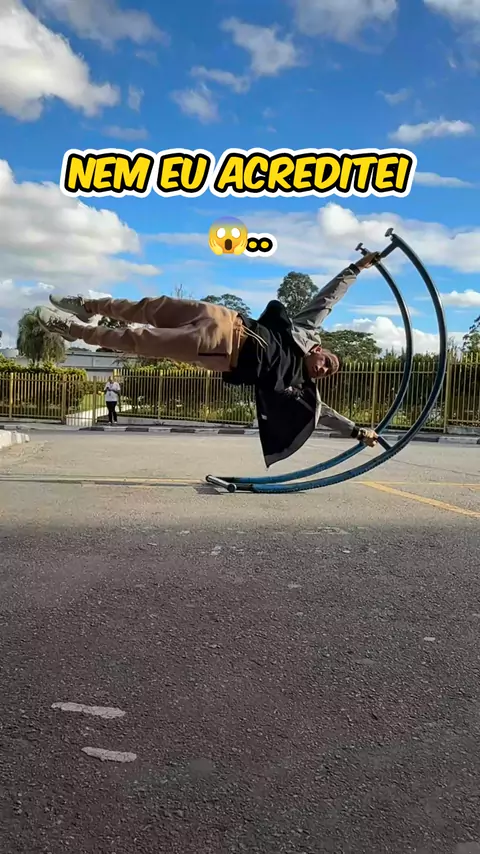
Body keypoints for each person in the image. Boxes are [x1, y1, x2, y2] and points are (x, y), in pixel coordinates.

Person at [37, 251, 380, 467]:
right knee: (151, 307)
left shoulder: (299, 386)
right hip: (224, 316)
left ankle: (73, 330)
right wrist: (356, 267)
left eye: (327, 374)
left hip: (217, 347)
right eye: (327, 363)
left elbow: (322, 414)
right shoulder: (304, 331)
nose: (323, 371)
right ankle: (89, 306)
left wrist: (357, 431)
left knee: (139, 340)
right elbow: (326, 300)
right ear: (319, 350)